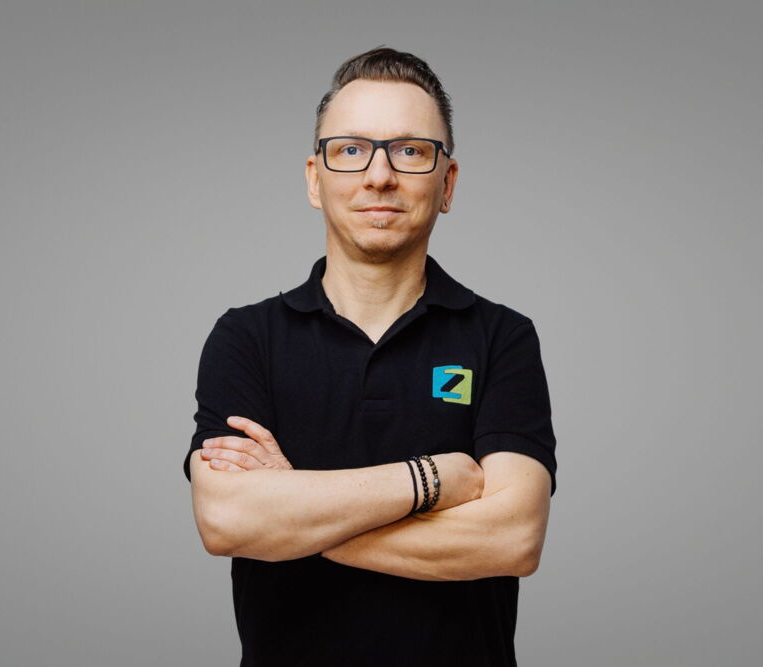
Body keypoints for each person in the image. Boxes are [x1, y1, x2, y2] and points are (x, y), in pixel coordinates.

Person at [184, 45, 558, 667]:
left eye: (410, 151)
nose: (379, 175)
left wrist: (292, 514)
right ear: (315, 178)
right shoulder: (246, 338)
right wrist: (433, 479)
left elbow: (512, 538)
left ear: (447, 183)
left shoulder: (503, 338)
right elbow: (227, 521)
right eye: (351, 149)